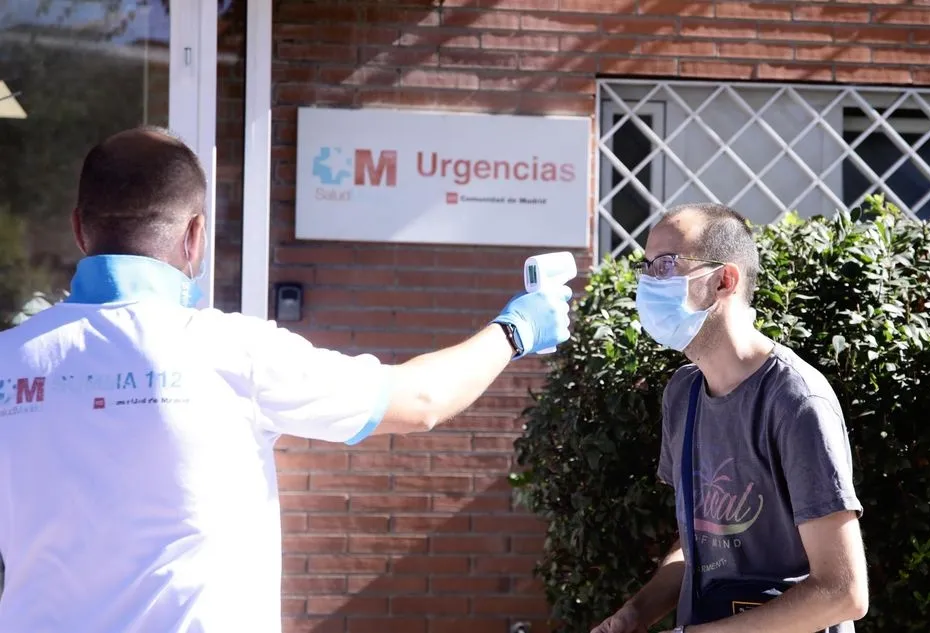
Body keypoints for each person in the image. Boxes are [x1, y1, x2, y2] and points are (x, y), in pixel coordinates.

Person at [0, 126, 572, 632]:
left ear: (79, 229)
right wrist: (519, 326)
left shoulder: (9, 360)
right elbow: (421, 400)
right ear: (195, 236)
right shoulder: (232, 350)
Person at [591, 204, 868, 633]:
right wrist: (635, 614)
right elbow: (701, 541)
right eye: (646, 268)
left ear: (724, 280)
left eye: (666, 266)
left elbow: (842, 592)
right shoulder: (683, 393)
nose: (648, 283)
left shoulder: (795, 400)